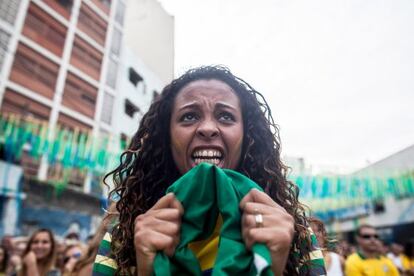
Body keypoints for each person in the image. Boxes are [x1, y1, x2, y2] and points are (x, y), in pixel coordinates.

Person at [93, 65, 326, 275]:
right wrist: (146, 270)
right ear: (167, 137)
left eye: (225, 116)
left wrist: (272, 266)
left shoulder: (294, 232)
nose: (207, 128)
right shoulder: (124, 231)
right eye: (189, 116)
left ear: (247, 137)